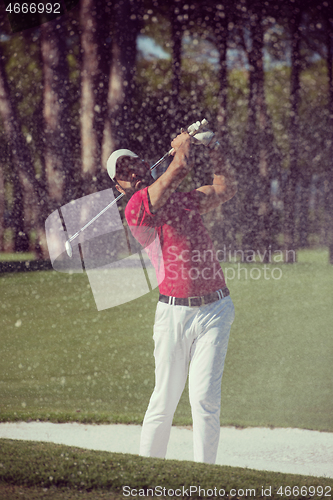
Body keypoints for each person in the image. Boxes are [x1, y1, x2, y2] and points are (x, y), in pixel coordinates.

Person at [107, 124, 237, 464]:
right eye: (122, 173)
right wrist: (183, 145)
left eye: (132, 163)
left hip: (216, 309)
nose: (131, 172)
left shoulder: (182, 201)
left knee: (204, 399)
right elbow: (179, 168)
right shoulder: (136, 209)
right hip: (174, 314)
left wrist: (216, 148)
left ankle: (205, 477)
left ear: (144, 164)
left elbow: (225, 189)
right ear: (118, 187)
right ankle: (149, 476)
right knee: (164, 400)